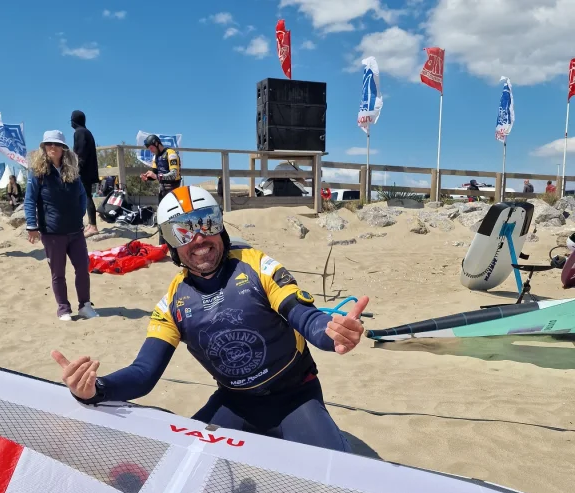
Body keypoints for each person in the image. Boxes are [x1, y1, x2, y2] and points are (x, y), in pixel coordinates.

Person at [52, 185, 370, 454]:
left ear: (220, 226)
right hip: (236, 402)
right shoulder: (173, 302)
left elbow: (303, 315)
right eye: (183, 230)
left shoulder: (257, 265)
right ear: (171, 244)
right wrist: (96, 389)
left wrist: (331, 334)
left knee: (336, 477)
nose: (199, 238)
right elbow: (144, 372)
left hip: (295, 396)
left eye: (206, 222)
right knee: (176, 463)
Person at [25, 130, 99, 322]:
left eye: (57, 144)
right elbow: (30, 200)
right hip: (52, 232)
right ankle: (63, 308)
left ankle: (85, 305)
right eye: (49, 144)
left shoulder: (72, 172)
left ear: (63, 148)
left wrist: (80, 213)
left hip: (75, 231)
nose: (53, 147)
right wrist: (31, 225)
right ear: (43, 147)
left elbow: (83, 195)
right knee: (58, 273)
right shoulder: (38, 172)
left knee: (82, 268)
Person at [70, 110, 99, 238]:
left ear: (74, 121)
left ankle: (93, 226)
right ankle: (90, 224)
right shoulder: (86, 132)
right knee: (86, 196)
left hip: (84, 170)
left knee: (86, 196)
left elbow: (80, 153)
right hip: (89, 169)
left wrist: (76, 169)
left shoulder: (79, 132)